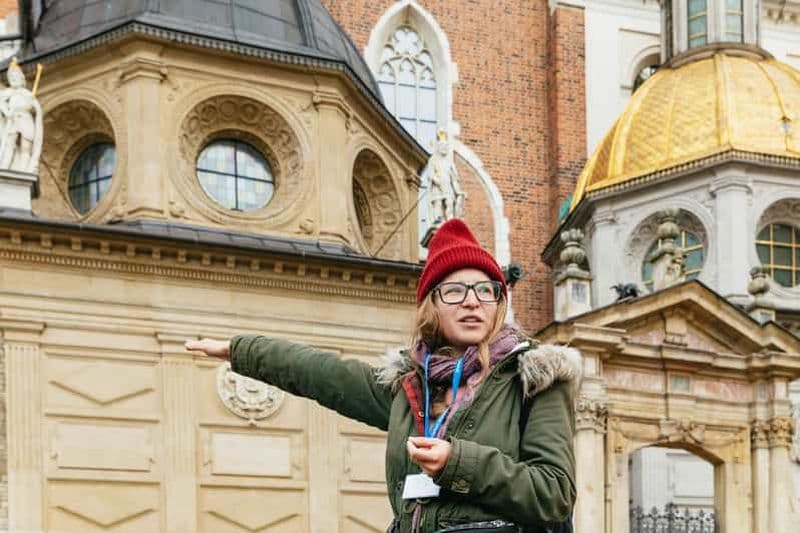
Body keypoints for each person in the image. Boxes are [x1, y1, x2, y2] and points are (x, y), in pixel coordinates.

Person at [186, 218, 580, 533]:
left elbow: (554, 494)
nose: (473, 301)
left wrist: (458, 462)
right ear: (431, 307)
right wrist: (240, 350)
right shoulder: (408, 387)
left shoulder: (534, 378)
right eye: (455, 291)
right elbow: (320, 374)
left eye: (486, 290)